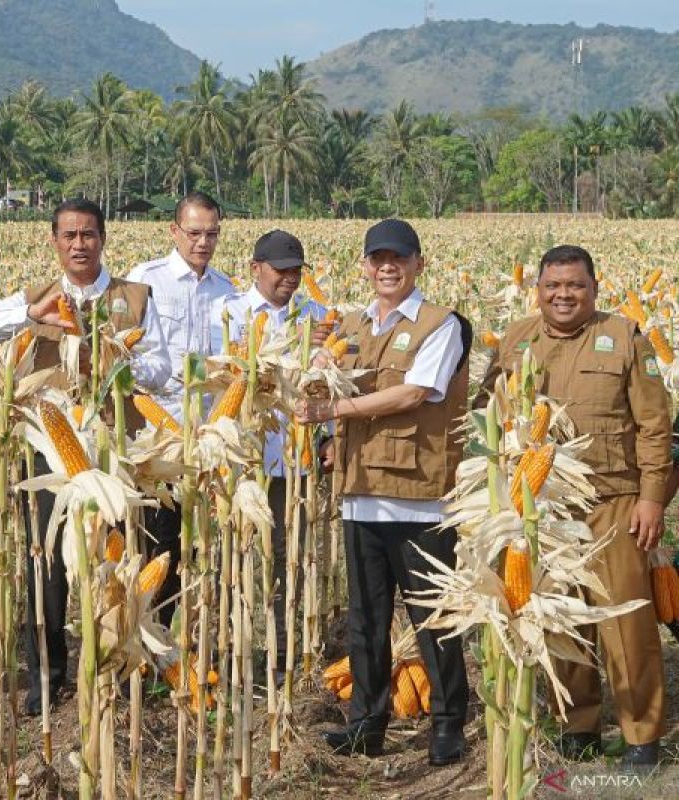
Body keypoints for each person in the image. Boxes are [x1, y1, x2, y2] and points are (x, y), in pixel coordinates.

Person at [0, 198, 170, 715]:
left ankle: (115, 660)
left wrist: (118, 358)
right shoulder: (37, 298)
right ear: (55, 242)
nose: (79, 245)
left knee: (120, 557)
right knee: (49, 562)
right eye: (69, 236)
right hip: (52, 452)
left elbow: (162, 368)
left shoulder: (136, 297)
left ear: (104, 239)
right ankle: (47, 675)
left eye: (89, 235)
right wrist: (30, 315)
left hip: (117, 451)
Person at [477, 244, 673, 766]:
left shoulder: (627, 339)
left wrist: (653, 499)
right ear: (537, 289)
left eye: (575, 285)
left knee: (625, 625)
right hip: (542, 506)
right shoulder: (517, 339)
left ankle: (640, 737)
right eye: (553, 285)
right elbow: (484, 412)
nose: (563, 295)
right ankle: (578, 727)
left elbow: (656, 426)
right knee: (560, 620)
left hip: (614, 501)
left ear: (594, 287)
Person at [296, 218, 471, 766]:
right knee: (367, 617)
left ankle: (448, 726)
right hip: (360, 492)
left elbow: (414, 393)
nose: (387, 267)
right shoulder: (349, 324)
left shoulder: (442, 325)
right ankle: (366, 723)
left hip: (419, 496)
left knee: (433, 617)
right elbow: (323, 380)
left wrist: (333, 410)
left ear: (419, 263)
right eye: (378, 259)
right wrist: (322, 410)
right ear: (367, 267)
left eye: (399, 258)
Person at [210, 229, 328, 674]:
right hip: (239, 458)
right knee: (230, 553)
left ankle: (283, 650)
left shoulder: (316, 316)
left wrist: (328, 437)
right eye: (282, 270)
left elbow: (325, 387)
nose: (291, 279)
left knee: (287, 553)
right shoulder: (225, 313)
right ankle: (229, 647)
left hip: (292, 459)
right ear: (256, 268)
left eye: (297, 271)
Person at [125, 191, 236, 627]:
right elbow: (125, 352)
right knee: (161, 540)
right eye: (193, 233)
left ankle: (198, 634)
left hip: (209, 436)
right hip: (160, 434)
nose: (202, 242)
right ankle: (152, 633)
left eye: (211, 234)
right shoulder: (146, 280)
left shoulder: (227, 291)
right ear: (174, 231)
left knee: (205, 541)